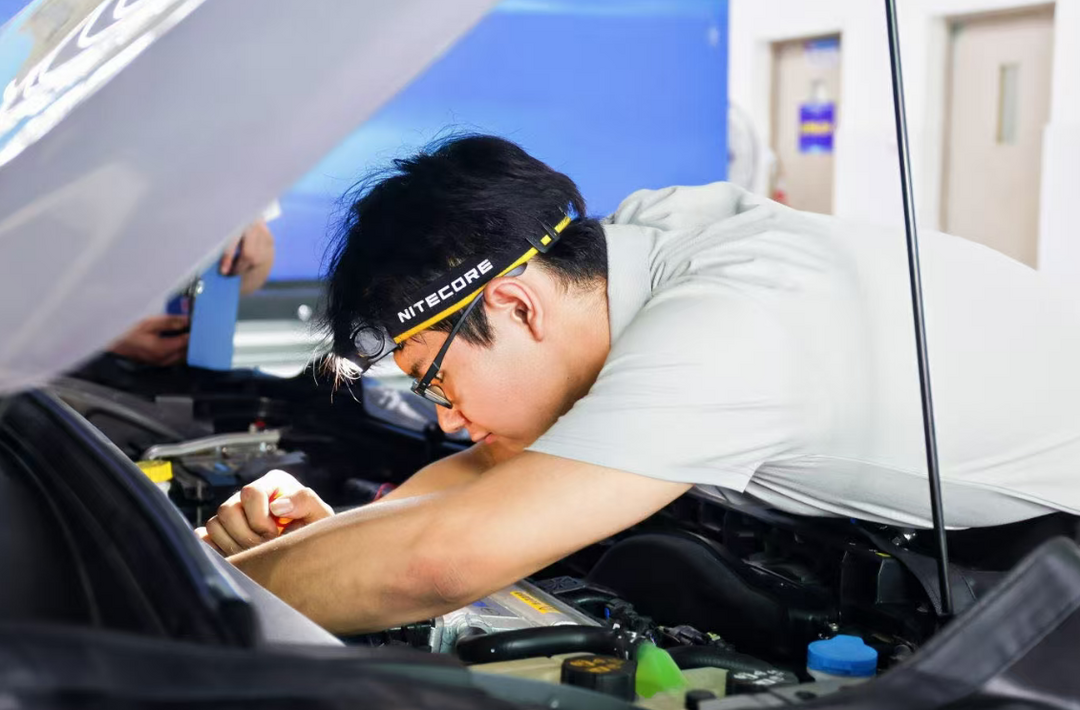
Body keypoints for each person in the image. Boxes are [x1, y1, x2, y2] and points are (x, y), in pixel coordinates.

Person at [197, 135, 1080, 635]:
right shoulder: (634, 250)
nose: (452, 421)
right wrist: (333, 544)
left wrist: (178, 599)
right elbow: (496, 471)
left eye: (438, 381)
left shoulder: (725, 329)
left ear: (517, 305)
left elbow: (444, 561)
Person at [108, 218, 276, 365]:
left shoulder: (237, 193)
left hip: (198, 364)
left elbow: (252, 281)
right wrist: (108, 341)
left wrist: (250, 251)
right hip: (104, 368)